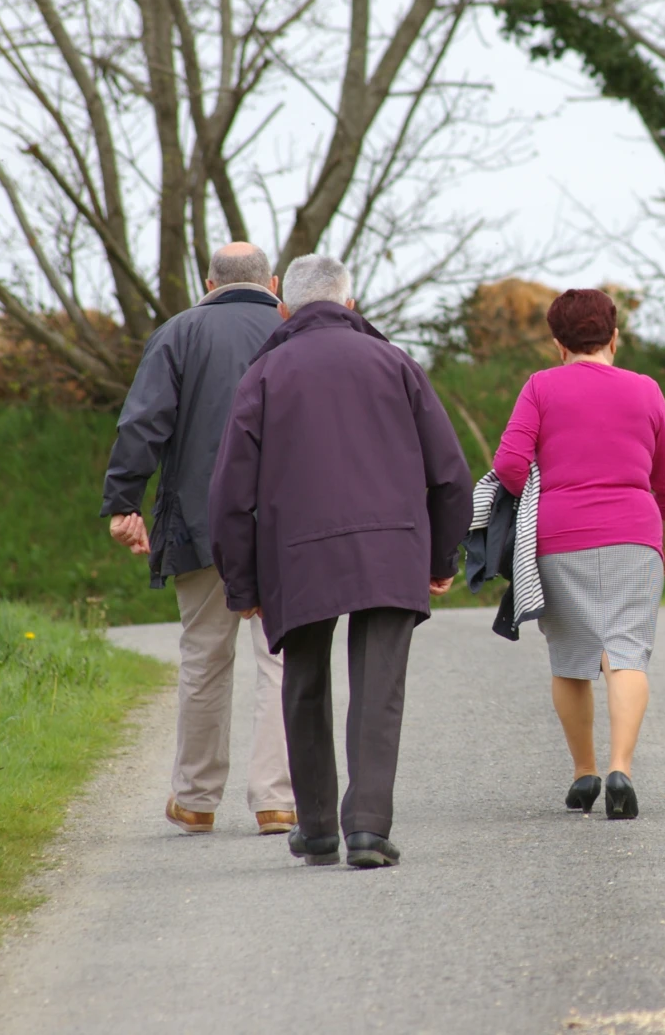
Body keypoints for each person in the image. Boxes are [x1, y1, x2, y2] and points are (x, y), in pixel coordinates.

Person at [208, 255, 473, 868]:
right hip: (392, 546)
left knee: (303, 682)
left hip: (298, 555)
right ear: (349, 305)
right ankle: (369, 829)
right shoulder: (395, 363)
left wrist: (242, 583)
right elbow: (451, 474)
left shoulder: (265, 373)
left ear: (284, 309)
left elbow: (228, 494)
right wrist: (440, 557)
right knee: (379, 688)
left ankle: (319, 827)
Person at [101, 242, 295, 838]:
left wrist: (124, 502)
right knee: (282, 660)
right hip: (287, 526)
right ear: (274, 283)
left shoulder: (178, 333)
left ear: (207, 283)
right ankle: (277, 799)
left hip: (200, 521)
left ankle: (196, 798)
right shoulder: (295, 332)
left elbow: (143, 422)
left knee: (205, 658)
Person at [493, 289, 665, 821]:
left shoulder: (540, 387)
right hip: (635, 537)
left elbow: (509, 463)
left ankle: (585, 773)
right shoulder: (646, 390)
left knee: (571, 660)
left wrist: (540, 498)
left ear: (559, 344)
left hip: (559, 538)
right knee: (626, 655)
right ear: (614, 337)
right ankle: (622, 768)